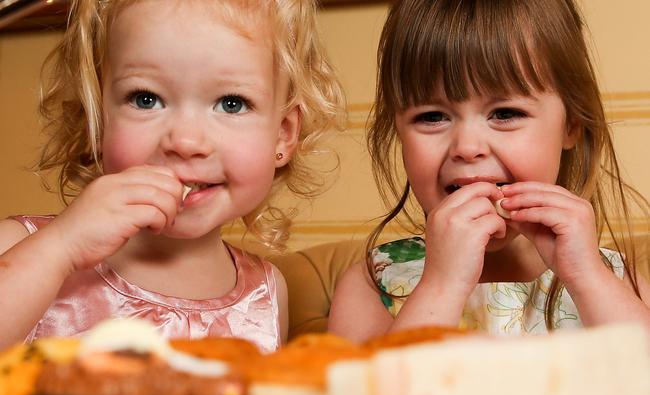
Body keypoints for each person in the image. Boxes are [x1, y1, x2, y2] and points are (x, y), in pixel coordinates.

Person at [0, 0, 345, 352]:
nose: (185, 141)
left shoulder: (268, 293)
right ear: (98, 119)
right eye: (146, 99)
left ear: (283, 134)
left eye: (231, 103)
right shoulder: (20, 249)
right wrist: (62, 247)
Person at [328, 0, 650, 342]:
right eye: (432, 117)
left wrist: (587, 277)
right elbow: (373, 394)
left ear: (570, 124)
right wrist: (443, 284)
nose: (467, 147)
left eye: (505, 113)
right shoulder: (376, 281)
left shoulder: (610, 277)